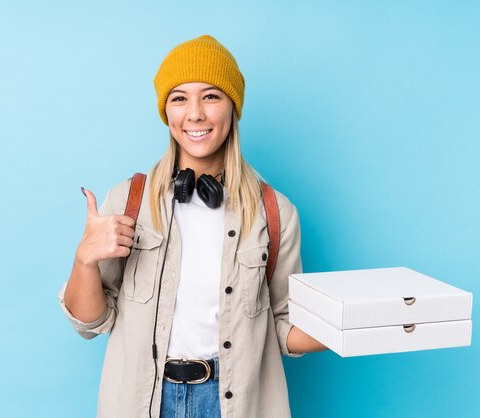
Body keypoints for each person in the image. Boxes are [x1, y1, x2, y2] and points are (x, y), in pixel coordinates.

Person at [58, 34, 326, 418]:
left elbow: (283, 325)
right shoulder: (128, 201)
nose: (195, 113)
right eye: (179, 98)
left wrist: (347, 330)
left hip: (233, 402)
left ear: (233, 107)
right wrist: (84, 260)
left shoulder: (275, 212)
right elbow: (89, 323)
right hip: (143, 401)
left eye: (211, 96)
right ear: (166, 111)